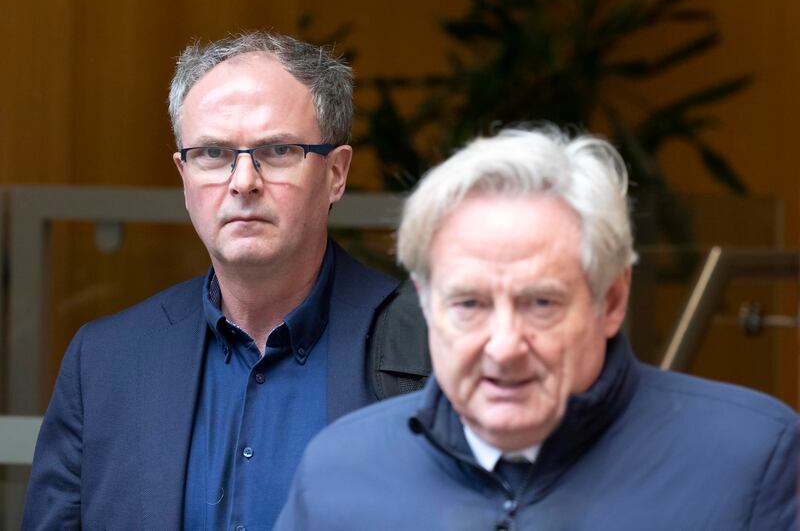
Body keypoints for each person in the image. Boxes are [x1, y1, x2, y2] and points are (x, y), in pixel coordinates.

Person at [275, 127, 799, 530]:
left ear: (612, 300)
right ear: (427, 303)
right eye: (470, 304)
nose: (504, 347)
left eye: (540, 303)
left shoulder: (750, 461)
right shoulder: (339, 471)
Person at [22, 31, 429, 530]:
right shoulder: (105, 364)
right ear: (184, 177)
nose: (243, 181)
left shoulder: (433, 348)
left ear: (336, 174)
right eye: (212, 153)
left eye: (278, 150)